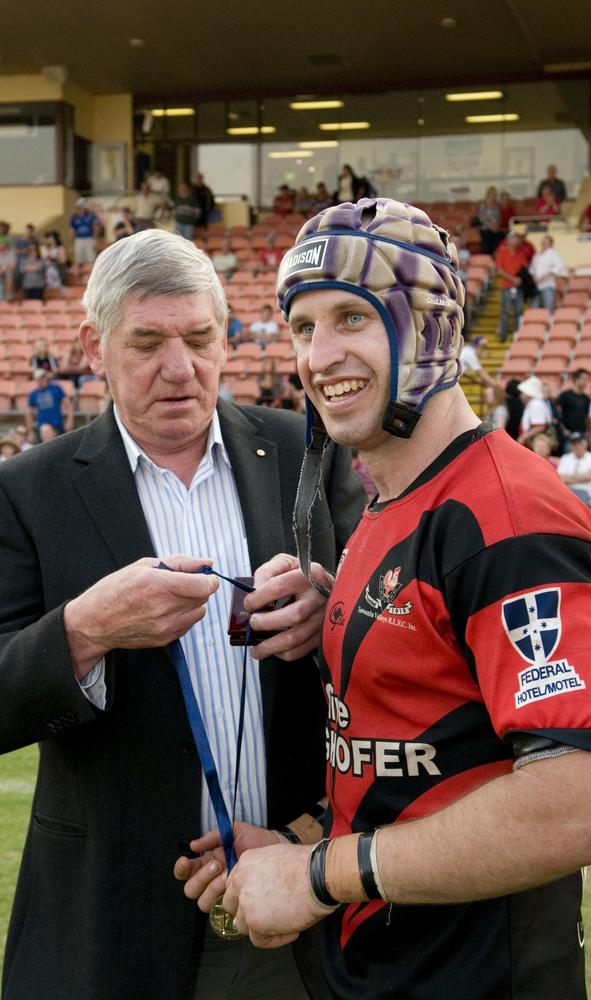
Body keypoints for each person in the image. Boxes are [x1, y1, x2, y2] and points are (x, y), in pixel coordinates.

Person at [176, 198, 591, 1000]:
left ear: (431, 330)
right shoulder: (389, 506)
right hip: (383, 968)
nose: (319, 356)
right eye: (304, 327)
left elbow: (582, 806)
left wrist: (314, 876)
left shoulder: (506, 516)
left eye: (351, 317)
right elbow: (414, 762)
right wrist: (295, 839)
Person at [0, 228, 365, 1000]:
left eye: (200, 338)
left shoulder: (308, 450)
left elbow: (396, 640)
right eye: (147, 343)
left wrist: (332, 614)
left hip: (293, 901)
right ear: (93, 344)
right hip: (109, 922)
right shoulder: (28, 490)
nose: (180, 368)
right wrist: (83, 631)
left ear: (226, 335)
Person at [494, 230, 529, 342]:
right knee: (506, 311)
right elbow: (499, 270)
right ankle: (503, 336)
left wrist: (519, 279)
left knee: (518, 310)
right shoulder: (502, 253)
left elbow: (524, 269)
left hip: (517, 286)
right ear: (509, 240)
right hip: (507, 286)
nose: (517, 240)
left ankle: (517, 335)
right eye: (515, 238)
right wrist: (514, 279)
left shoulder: (521, 253)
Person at [26, 368, 73, 440]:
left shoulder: (56, 388)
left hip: (57, 424)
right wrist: (30, 432)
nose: (42, 380)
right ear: (36, 380)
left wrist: (69, 420)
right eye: (39, 378)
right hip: (42, 427)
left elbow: (68, 404)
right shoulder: (34, 394)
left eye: (43, 377)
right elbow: (29, 413)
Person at [557, 432, 591, 506]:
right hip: (567, 493)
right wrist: (582, 477)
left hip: (587, 493)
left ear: (585, 444)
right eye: (574, 444)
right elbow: (561, 478)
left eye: (579, 443)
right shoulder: (565, 458)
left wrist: (570, 478)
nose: (577, 446)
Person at [528, 234, 567, 312]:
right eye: (543, 242)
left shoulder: (553, 254)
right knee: (534, 308)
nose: (544, 244)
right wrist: (534, 277)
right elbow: (532, 269)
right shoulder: (537, 255)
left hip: (548, 285)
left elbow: (560, 266)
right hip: (536, 286)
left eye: (546, 242)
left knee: (548, 307)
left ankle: (548, 323)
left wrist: (544, 276)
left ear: (550, 244)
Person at [556, 368, 591, 442]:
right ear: (576, 379)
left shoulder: (587, 399)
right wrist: (563, 429)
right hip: (568, 435)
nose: (586, 382)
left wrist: (588, 431)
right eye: (584, 379)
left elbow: (587, 417)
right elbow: (557, 413)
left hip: (582, 435)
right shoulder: (565, 395)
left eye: (587, 379)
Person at [475, 185, 502, 256]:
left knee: (500, 235)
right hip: (485, 227)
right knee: (487, 235)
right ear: (488, 194)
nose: (493, 196)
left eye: (495, 194)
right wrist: (491, 226)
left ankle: (496, 255)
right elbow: (481, 218)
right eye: (492, 194)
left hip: (495, 228)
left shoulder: (496, 206)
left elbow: (498, 218)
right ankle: (487, 255)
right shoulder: (482, 205)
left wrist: (495, 226)